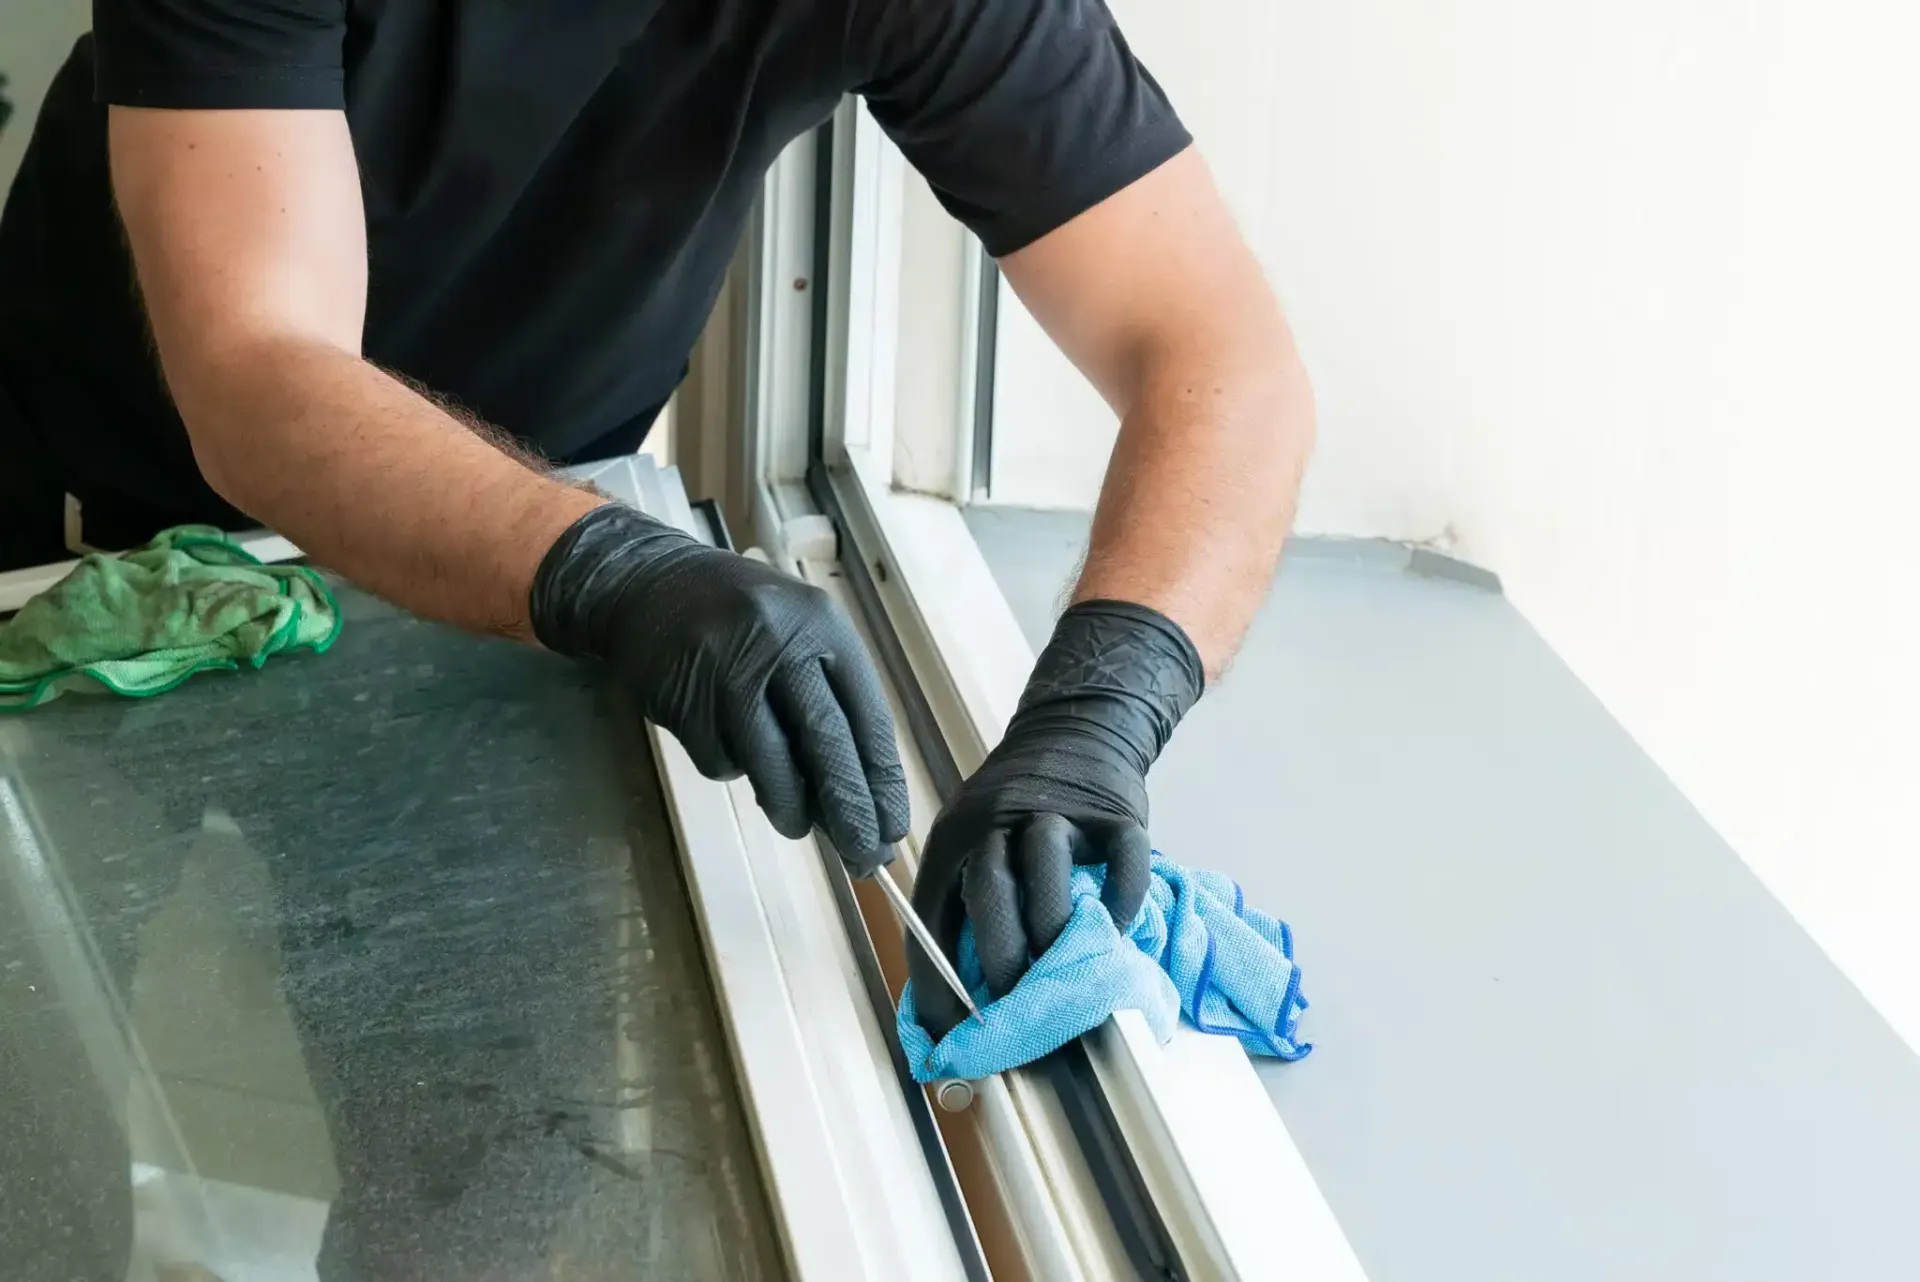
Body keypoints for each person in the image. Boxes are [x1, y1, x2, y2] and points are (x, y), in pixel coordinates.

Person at [0, 2, 1313, 1041]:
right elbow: (255, 370)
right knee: (41, 1074)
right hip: (98, 512)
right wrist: (608, 565)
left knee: (478, 1158)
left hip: (519, 563)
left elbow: (1215, 353)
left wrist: (1100, 710)